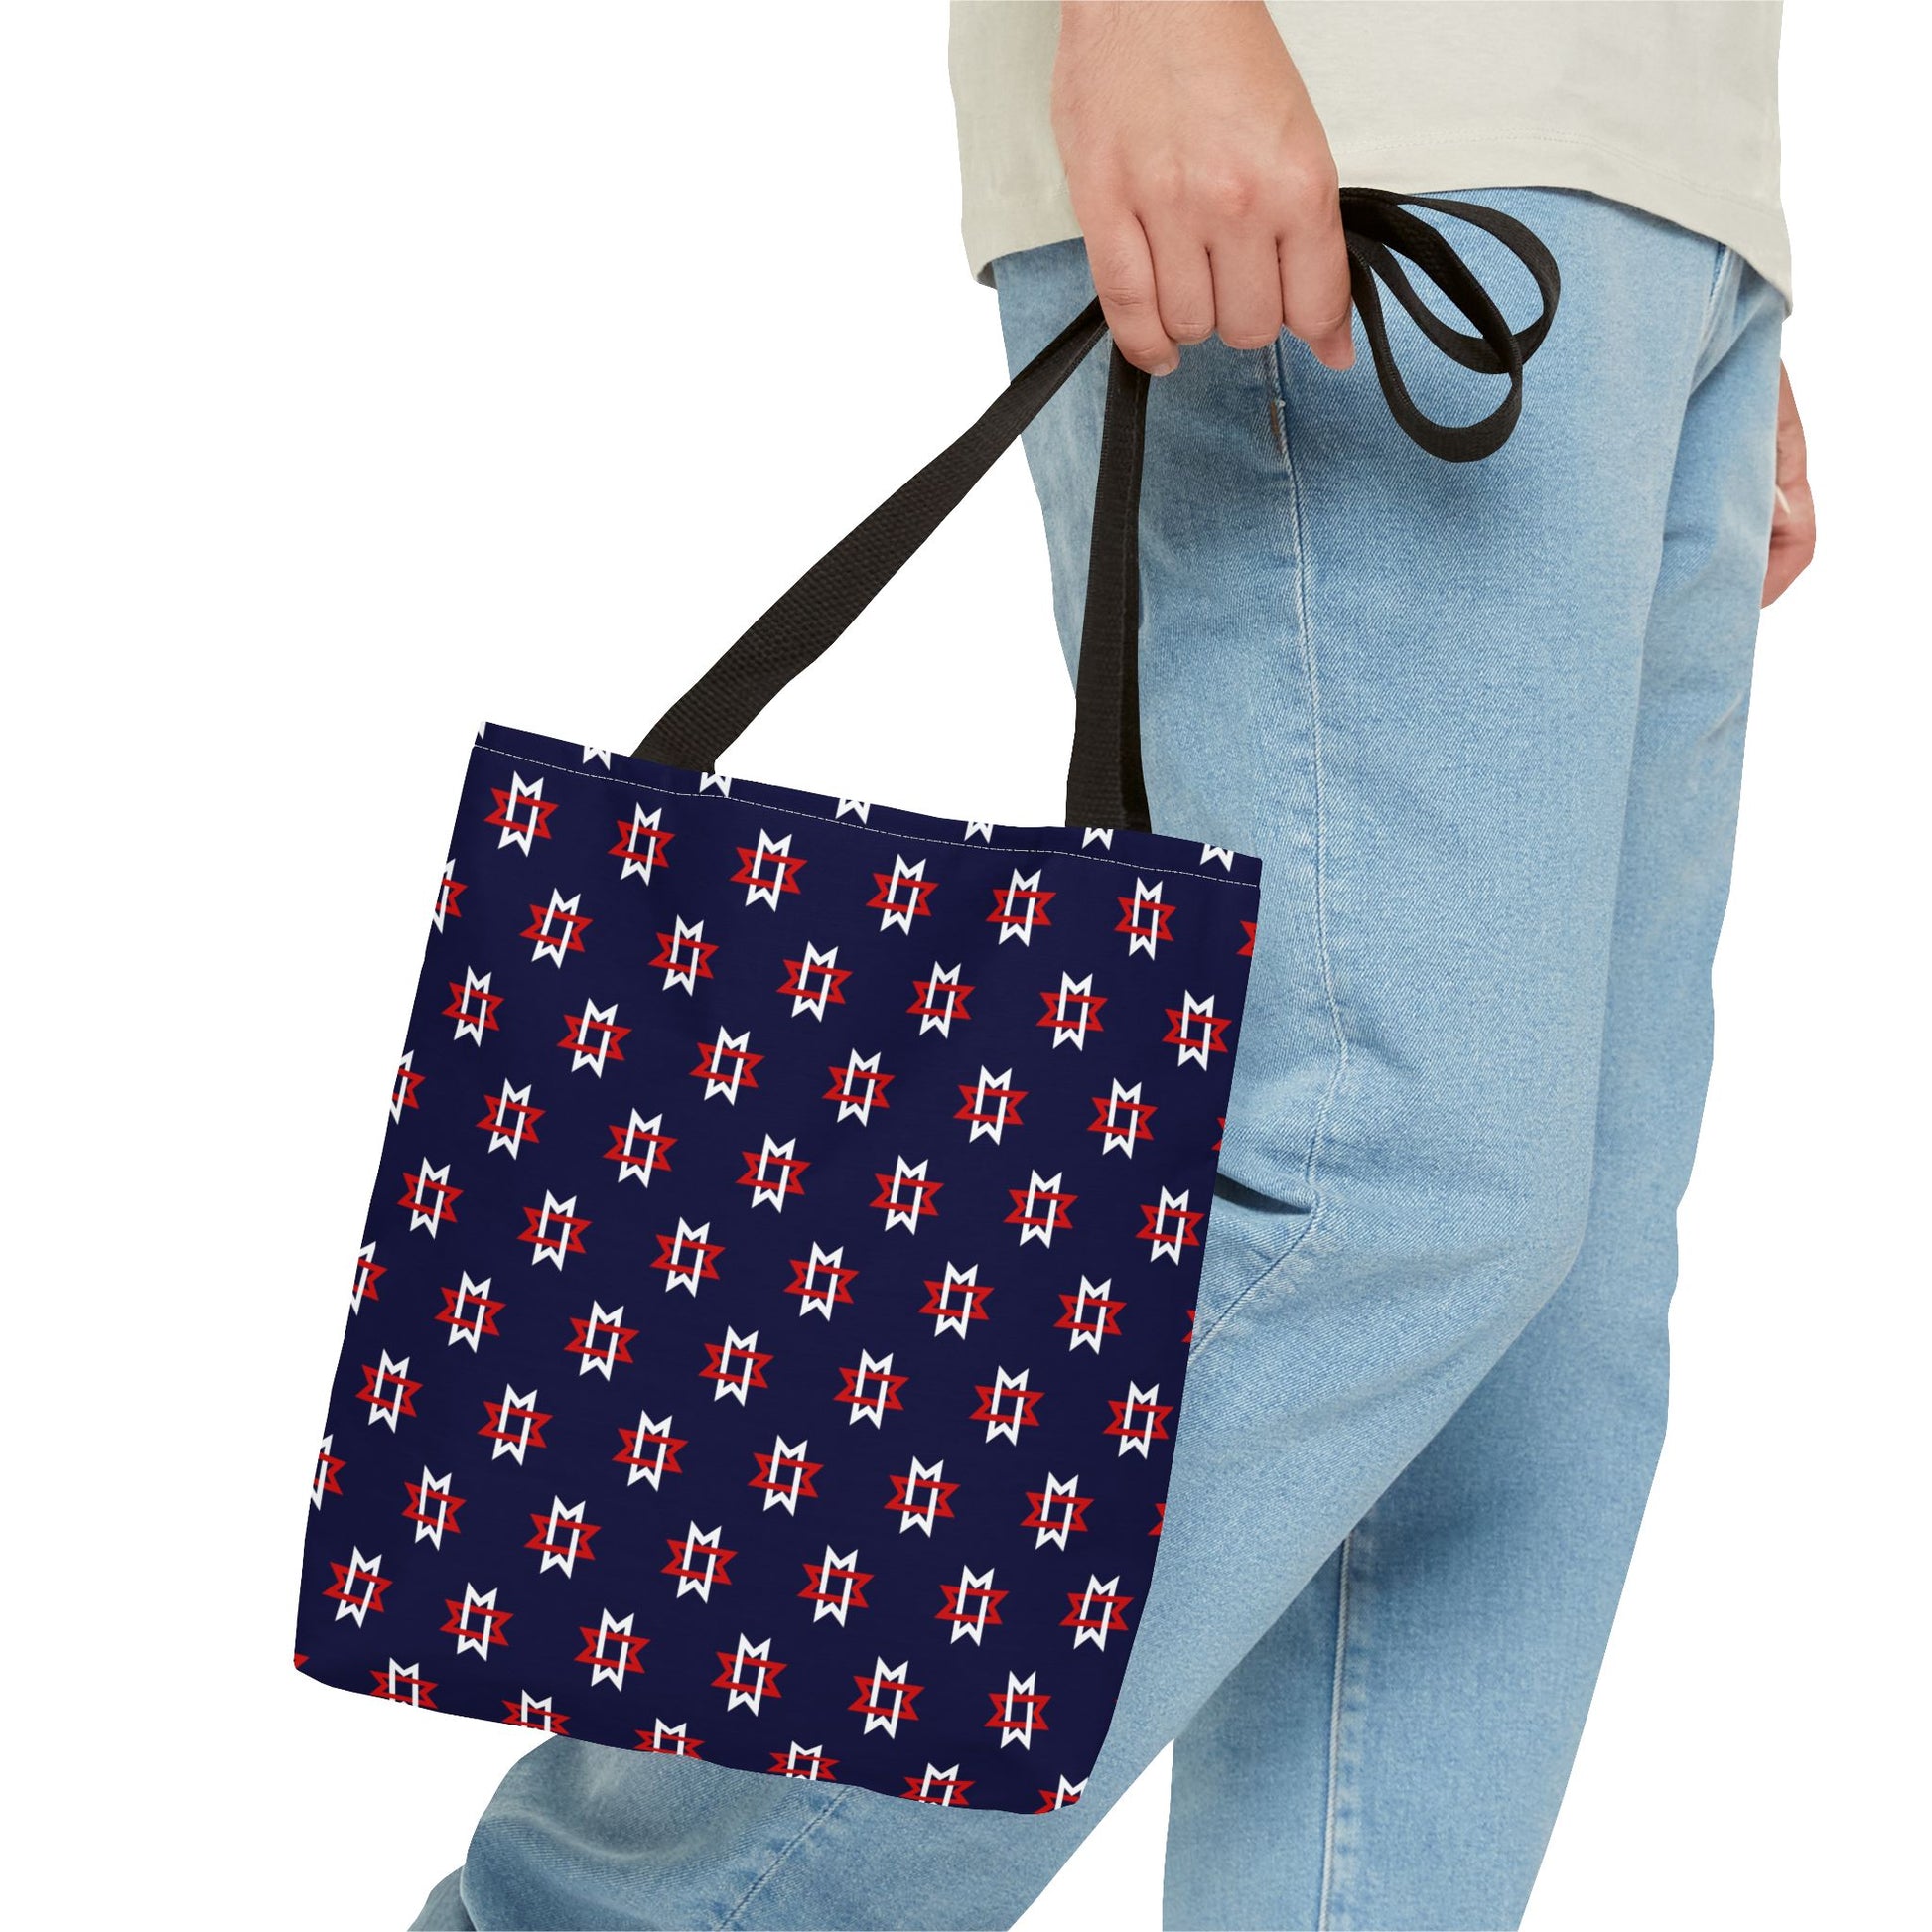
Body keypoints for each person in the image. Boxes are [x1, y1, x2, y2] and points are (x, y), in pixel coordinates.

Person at [412, 4, 1813, 1926]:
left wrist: (1698, 233)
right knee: (1372, 1189)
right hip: (1363, 114)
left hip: (1640, 189)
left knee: (1532, 1350)